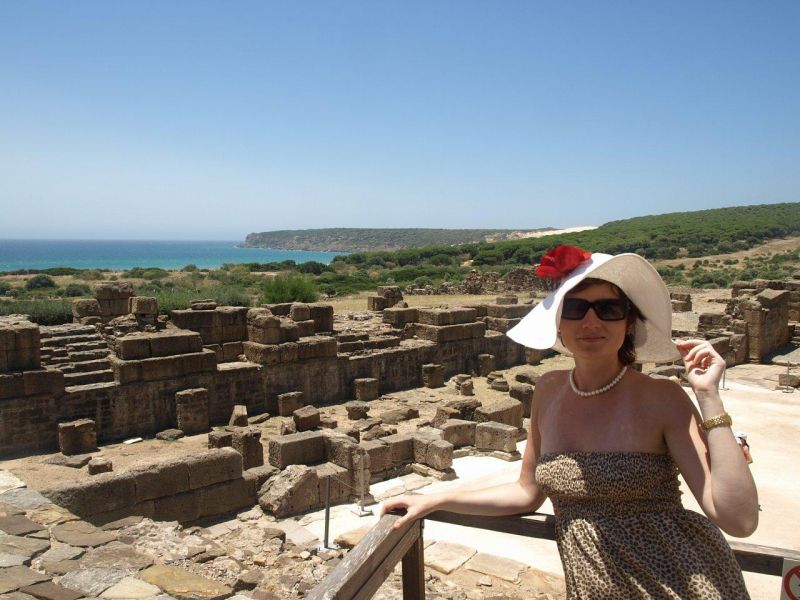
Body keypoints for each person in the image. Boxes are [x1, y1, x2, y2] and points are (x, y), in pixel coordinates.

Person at [381, 246, 758, 599]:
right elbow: (526, 493)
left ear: (629, 322)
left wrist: (708, 397)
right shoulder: (548, 389)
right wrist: (434, 499)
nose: (591, 320)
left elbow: (738, 520)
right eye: (576, 308)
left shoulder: (663, 398)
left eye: (608, 308)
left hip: (682, 580)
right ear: (558, 322)